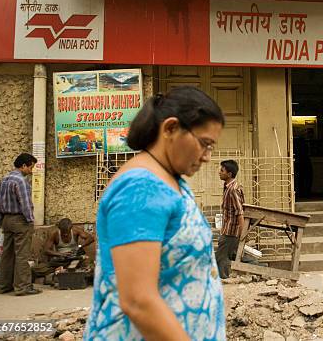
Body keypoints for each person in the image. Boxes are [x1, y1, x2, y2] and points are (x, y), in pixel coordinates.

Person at [84, 87, 226, 340]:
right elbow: (139, 301)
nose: (207, 157)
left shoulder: (170, 179)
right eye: (205, 144)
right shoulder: (141, 189)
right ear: (170, 128)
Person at [0, 153, 41, 296]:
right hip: (20, 220)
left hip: (6, 220)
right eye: (31, 167)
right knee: (22, 254)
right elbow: (25, 204)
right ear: (24, 166)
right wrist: (30, 220)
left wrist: (0, 220)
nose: (31, 171)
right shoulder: (21, 181)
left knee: (6, 254)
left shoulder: (4, 180)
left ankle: (4, 285)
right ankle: (23, 287)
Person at [215, 160, 245, 279]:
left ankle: (224, 279)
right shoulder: (229, 187)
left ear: (229, 174)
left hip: (231, 231)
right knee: (230, 255)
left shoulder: (233, 189)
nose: (219, 172)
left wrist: (242, 234)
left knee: (221, 258)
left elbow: (240, 212)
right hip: (228, 229)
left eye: (222, 170)